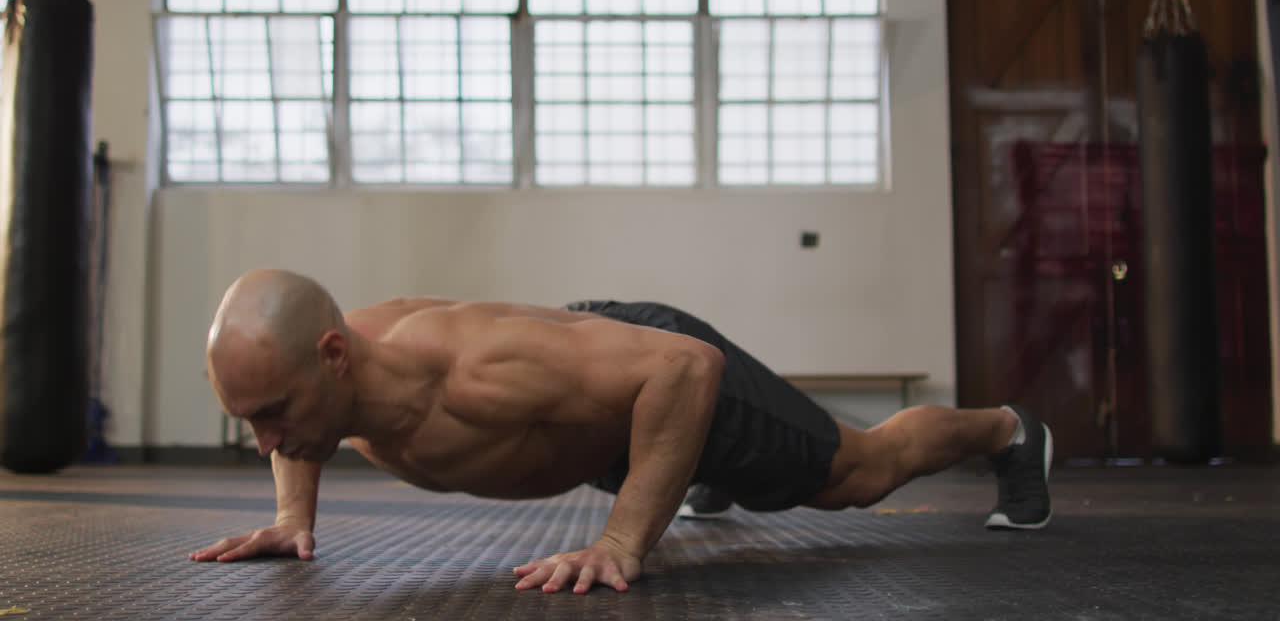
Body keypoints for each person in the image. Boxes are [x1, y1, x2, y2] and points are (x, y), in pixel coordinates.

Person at [190, 269, 1053, 595]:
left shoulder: (476, 372)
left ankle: (1008, 433)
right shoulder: (324, 379)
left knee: (859, 473)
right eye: (252, 419)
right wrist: (294, 517)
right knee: (630, 425)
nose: (268, 443)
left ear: (336, 355)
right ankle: (685, 475)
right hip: (590, 410)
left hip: (656, 367)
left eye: (274, 417)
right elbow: (295, 418)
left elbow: (684, 368)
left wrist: (621, 541)